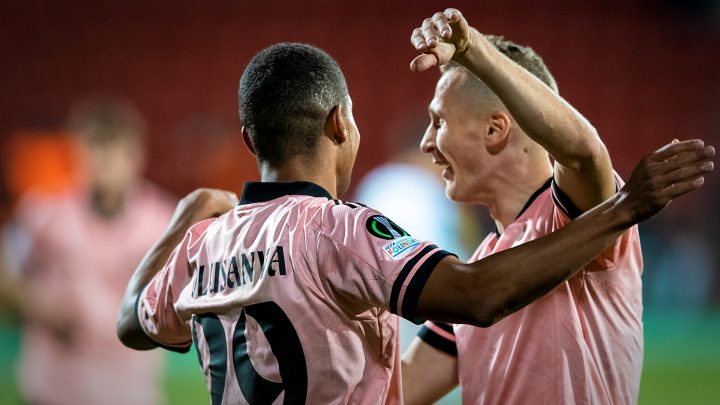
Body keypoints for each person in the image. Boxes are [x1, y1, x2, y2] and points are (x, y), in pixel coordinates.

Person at [116, 42, 714, 404]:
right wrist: (627, 209)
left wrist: (184, 222)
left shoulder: (203, 243)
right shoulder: (342, 230)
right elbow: (478, 297)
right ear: (339, 124)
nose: (425, 142)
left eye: (436, 121)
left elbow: (132, 320)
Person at [401, 8, 713, 405]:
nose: (427, 143)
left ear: (495, 129)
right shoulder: (478, 276)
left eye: (439, 122)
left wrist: (472, 50)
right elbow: (398, 391)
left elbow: (584, 154)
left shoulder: (579, 216)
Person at [3, 99, 173, 405]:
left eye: (114, 152)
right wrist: (38, 305)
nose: (104, 164)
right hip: (55, 386)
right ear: (77, 153)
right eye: (95, 151)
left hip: (129, 388)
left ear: (136, 154)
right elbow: (6, 275)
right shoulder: (43, 213)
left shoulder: (163, 221)